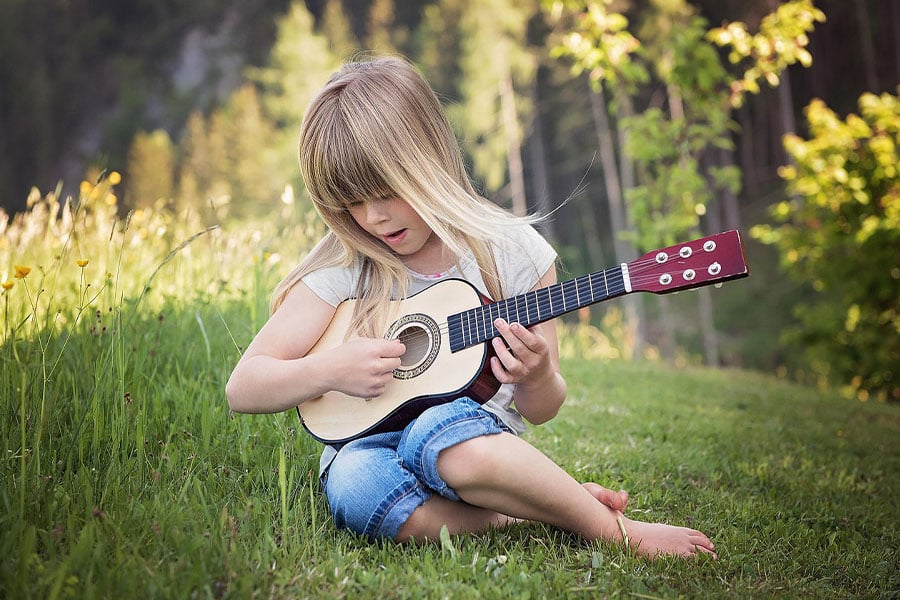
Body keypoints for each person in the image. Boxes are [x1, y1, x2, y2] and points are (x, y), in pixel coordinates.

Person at [225, 55, 717, 559]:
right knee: (352, 485)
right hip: (367, 444)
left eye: (387, 192)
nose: (373, 217)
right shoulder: (346, 266)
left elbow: (542, 409)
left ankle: (612, 530)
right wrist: (327, 369)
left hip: (472, 444)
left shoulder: (512, 252)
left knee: (440, 432)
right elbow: (244, 387)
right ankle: (527, 509)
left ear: (428, 159)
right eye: (352, 202)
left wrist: (537, 376)